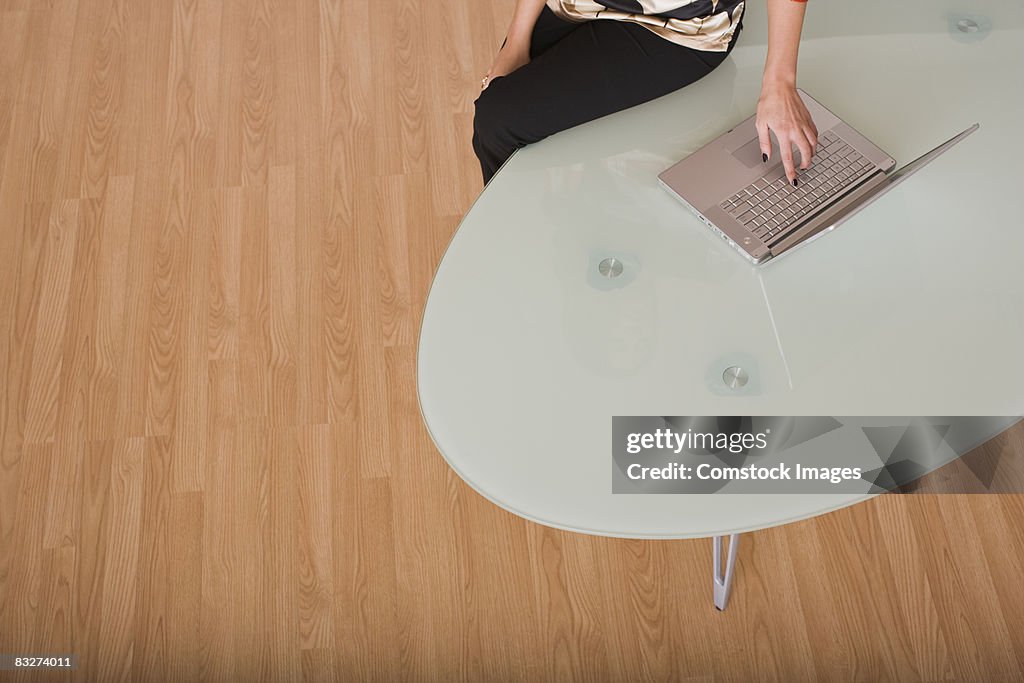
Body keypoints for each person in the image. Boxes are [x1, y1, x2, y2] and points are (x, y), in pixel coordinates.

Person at [472, 0, 818, 187]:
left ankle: (518, 247)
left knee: (498, 121)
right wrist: (517, 40)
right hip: (576, 5)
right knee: (502, 117)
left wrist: (779, 82)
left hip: (678, 28)